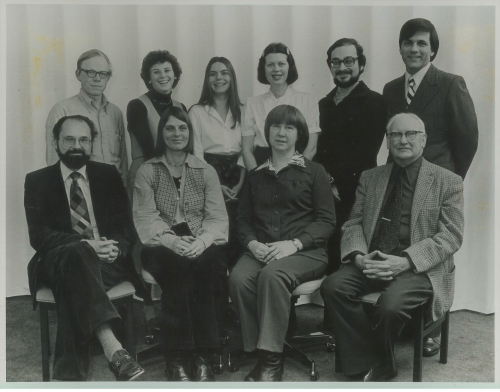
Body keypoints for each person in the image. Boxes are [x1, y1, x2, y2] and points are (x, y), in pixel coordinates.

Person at [320, 113, 464, 382]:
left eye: (410, 134)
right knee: (332, 286)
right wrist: (360, 258)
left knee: (389, 307)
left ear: (423, 139)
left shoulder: (448, 181)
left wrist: (405, 261)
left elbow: (451, 236)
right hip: (373, 258)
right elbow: (353, 223)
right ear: (387, 141)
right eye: (395, 135)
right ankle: (374, 360)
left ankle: (376, 362)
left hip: (419, 267)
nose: (403, 140)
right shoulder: (371, 177)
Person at [25, 115, 150, 381]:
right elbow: (38, 236)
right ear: (56, 142)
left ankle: (68, 379)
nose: (76, 145)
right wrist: (87, 244)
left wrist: (116, 248)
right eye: (69, 139)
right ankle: (112, 346)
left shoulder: (107, 175)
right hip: (56, 261)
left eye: (83, 139)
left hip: (106, 260)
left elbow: (125, 228)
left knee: (75, 277)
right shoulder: (37, 181)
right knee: (77, 254)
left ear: (92, 143)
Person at [229, 105, 336, 382]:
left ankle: (271, 362)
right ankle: (256, 348)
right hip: (262, 250)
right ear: (267, 132)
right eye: (276, 126)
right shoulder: (256, 175)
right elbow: (242, 221)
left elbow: (327, 221)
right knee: (240, 278)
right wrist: (252, 245)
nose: (281, 132)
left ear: (299, 134)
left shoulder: (315, 172)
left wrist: (293, 244)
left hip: (306, 253)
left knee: (272, 275)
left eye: (289, 127)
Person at [133, 107, 229, 382]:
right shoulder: (147, 170)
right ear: (162, 133)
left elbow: (217, 216)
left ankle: (201, 356)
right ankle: (176, 359)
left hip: (201, 238)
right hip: (160, 243)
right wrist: (172, 241)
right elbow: (145, 218)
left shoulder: (205, 170)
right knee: (177, 272)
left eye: (182, 128)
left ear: (190, 132)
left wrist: (202, 241)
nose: (177, 134)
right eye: (170, 128)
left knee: (208, 267)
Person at [315, 38, 387, 273]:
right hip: (324, 190)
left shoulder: (375, 102)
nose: (342, 67)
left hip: (357, 191)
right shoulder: (323, 104)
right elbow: (316, 150)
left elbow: (366, 152)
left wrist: (332, 181)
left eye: (348, 61)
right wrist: (325, 180)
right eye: (336, 62)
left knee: (351, 253)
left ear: (361, 64)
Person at [383, 18, 478, 180]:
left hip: (437, 181)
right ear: (400, 48)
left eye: (421, 43)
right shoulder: (390, 89)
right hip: (396, 180)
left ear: (433, 50)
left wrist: (451, 181)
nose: (414, 49)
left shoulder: (450, 84)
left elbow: (467, 142)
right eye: (408, 43)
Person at [189, 56, 246, 265]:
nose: (218, 78)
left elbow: (246, 151)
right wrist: (216, 184)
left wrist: (240, 182)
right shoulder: (197, 112)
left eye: (224, 73)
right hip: (209, 174)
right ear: (207, 79)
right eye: (212, 74)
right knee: (215, 225)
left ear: (231, 77)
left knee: (241, 224)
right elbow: (196, 153)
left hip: (240, 175)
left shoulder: (244, 110)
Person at [45, 49, 128, 185]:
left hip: (115, 190)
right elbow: (54, 161)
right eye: (91, 72)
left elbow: (123, 159)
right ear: (78, 74)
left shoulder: (115, 112)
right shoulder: (62, 109)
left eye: (103, 74)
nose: (97, 78)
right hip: (83, 192)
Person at [241, 42, 320, 170]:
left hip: (298, 167)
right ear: (263, 68)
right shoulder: (252, 103)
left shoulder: (308, 100)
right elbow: (247, 150)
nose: (276, 69)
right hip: (260, 167)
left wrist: (295, 175)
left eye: (281, 64)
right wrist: (256, 178)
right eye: (270, 65)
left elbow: (311, 148)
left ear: (290, 67)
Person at [127, 50, 187, 196]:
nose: (163, 76)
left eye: (167, 70)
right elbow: (149, 150)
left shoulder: (181, 107)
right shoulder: (137, 105)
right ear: (148, 78)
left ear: (175, 75)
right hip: (145, 175)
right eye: (156, 72)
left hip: (178, 173)